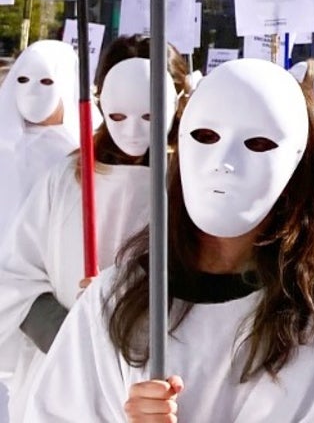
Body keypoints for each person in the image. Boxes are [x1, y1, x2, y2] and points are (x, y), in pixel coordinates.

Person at [24, 58, 314, 421]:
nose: (223, 162)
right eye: (206, 136)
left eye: (258, 143)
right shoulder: (115, 296)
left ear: (298, 160)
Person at [0, 37, 189, 421]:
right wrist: (72, 335)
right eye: (119, 114)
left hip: (160, 385)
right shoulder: (68, 179)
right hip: (62, 386)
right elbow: (16, 278)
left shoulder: (193, 185)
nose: (134, 129)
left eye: (150, 113)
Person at [0, 41, 81, 211]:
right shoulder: (5, 142)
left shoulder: (81, 153)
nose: (32, 90)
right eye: (23, 79)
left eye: (46, 81)